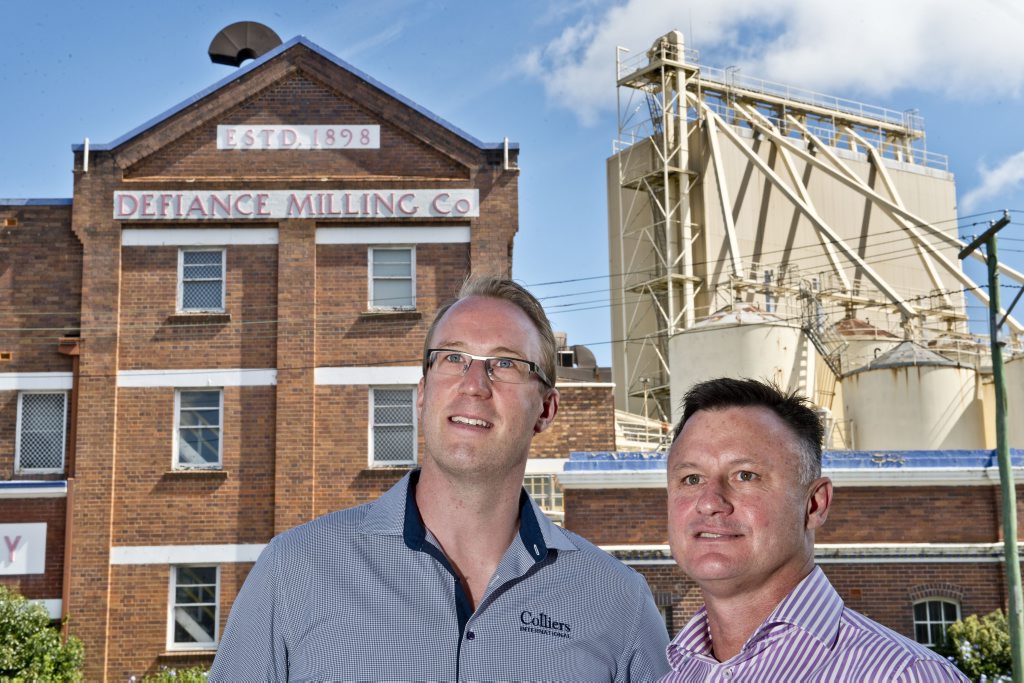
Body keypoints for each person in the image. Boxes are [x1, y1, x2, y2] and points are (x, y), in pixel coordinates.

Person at [210, 277, 670, 681]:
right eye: (453, 357)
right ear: (424, 393)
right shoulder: (295, 569)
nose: (474, 383)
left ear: (545, 410)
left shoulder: (617, 600)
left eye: (505, 363)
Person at [661, 377, 967, 681]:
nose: (710, 502)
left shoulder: (905, 675)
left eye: (745, 475)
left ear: (815, 504)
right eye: (691, 479)